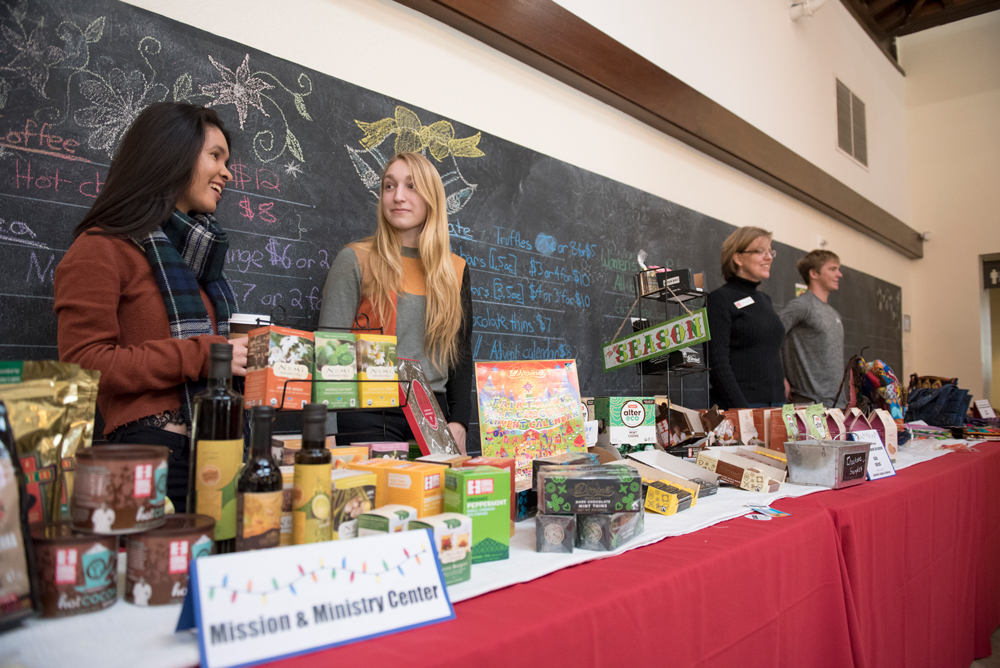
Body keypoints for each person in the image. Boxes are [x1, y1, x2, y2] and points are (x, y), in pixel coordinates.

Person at [54, 102, 247, 512]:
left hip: (221, 456)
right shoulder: (100, 249)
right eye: (215, 155)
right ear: (172, 154)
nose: (227, 172)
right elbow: (82, 367)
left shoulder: (199, 264)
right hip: (150, 460)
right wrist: (206, 355)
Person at [319, 152, 472, 452]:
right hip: (366, 415)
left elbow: (460, 354)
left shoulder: (455, 270)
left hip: (432, 417)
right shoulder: (356, 260)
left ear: (432, 198)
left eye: (411, 186)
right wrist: (326, 432)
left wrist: (460, 421)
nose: (398, 196)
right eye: (389, 186)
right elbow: (328, 355)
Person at [706, 226, 786, 409]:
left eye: (770, 251)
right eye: (760, 251)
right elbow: (717, 363)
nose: (769, 257)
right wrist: (742, 409)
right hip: (743, 407)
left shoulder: (765, 300)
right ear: (738, 258)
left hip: (777, 405)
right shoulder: (720, 299)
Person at [780, 249, 845, 407]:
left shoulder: (834, 313)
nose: (839, 274)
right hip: (808, 403)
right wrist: (780, 378)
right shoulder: (801, 306)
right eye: (832, 269)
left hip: (837, 404)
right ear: (814, 274)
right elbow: (769, 338)